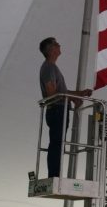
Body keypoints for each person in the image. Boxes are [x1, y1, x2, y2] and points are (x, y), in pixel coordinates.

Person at [39, 37, 92, 177]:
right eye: (57, 44)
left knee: (58, 143)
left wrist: (78, 94)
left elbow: (59, 92)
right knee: (57, 143)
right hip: (57, 110)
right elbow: (52, 93)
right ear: (51, 50)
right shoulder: (49, 67)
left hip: (58, 110)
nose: (59, 45)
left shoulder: (51, 67)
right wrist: (73, 97)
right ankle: (54, 176)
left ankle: (55, 175)